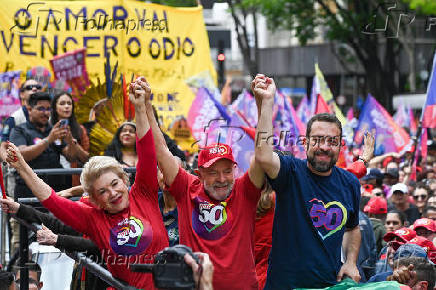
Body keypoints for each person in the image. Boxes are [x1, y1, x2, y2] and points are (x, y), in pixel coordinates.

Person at [1, 77, 169, 289]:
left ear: (125, 179)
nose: (113, 193)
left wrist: (140, 107)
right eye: (103, 191)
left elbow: (146, 148)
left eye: (115, 183)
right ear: (95, 199)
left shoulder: (143, 194)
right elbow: (51, 201)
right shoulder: (93, 218)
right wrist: (22, 167)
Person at [138, 77, 265, 290]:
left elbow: (262, 153)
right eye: (213, 173)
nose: (222, 179)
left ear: (235, 170)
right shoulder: (187, 188)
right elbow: (160, 149)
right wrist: (147, 105)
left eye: (227, 171)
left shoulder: (245, 190)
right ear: (199, 174)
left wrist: (263, 104)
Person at [252, 74, 361, 288]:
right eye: (318, 139)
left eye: (332, 141)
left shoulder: (350, 183)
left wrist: (350, 262)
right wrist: (266, 103)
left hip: (329, 285)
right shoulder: (291, 172)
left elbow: (353, 227)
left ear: (341, 145)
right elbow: (263, 155)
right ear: (305, 142)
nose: (324, 146)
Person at [9, 92, 86, 198]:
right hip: (28, 191)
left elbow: (71, 157)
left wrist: (70, 142)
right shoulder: (19, 130)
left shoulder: (53, 130)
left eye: (48, 109)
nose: (45, 113)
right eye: (41, 109)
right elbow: (21, 154)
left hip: (54, 190)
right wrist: (48, 140)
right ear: (30, 109)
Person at [50, 92, 89, 186]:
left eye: (69, 103)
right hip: (51, 177)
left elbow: (87, 158)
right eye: (62, 103)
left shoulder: (80, 129)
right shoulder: (48, 128)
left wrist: (72, 142)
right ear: (55, 107)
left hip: (74, 178)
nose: (67, 106)